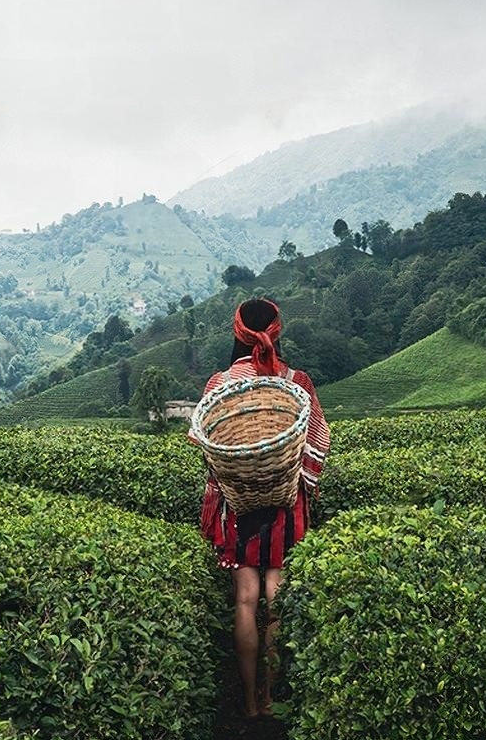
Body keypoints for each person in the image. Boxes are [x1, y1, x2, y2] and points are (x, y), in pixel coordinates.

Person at [195, 298, 330, 719]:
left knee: (246, 599)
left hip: (237, 506)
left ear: (237, 334)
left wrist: (233, 479)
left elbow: (207, 445)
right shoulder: (296, 381)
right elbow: (317, 440)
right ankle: (271, 698)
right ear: (277, 331)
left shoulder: (220, 383)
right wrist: (297, 479)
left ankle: (249, 704)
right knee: (276, 596)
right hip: (286, 505)